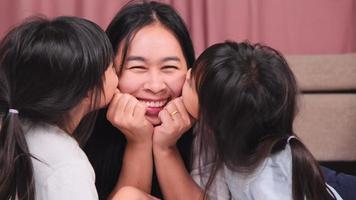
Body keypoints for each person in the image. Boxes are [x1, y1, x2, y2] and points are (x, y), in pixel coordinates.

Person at [153, 41, 343, 200]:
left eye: (191, 82)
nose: (186, 74)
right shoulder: (226, 133)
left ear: (215, 119)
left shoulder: (267, 184)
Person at [83, 1, 195, 199]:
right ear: (108, 71)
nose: (155, 86)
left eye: (169, 67)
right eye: (137, 68)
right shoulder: (81, 127)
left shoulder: (211, 131)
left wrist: (166, 148)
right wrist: (139, 143)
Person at [0, 16, 120, 200]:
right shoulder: (68, 167)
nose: (117, 72)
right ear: (88, 90)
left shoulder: (14, 126)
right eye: (112, 67)